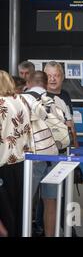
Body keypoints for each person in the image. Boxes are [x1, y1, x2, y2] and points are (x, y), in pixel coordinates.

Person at [21, 71, 69, 237]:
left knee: (25, 201)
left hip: (30, 158)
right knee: (51, 202)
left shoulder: (20, 100)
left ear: (28, 82)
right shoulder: (58, 101)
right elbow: (68, 126)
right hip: (54, 157)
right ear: (46, 83)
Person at [0, 70, 33, 237]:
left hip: (3, 163)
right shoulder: (22, 100)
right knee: (20, 210)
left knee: (5, 215)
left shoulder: (0, 104)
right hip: (22, 161)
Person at [44, 61, 79, 148]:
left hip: (64, 146)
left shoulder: (65, 95)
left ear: (62, 77)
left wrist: (75, 146)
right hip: (46, 147)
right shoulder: (41, 96)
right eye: (49, 76)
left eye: (56, 75)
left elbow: (70, 122)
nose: (52, 79)